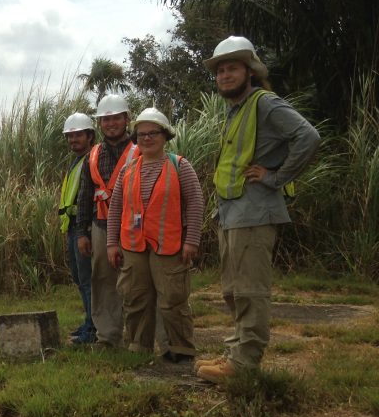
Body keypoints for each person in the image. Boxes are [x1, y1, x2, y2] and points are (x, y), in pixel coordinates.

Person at [196, 36, 321, 384]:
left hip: (255, 213)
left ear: (249, 71)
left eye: (232, 68)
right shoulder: (235, 111)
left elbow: (308, 137)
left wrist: (276, 177)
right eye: (220, 70)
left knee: (251, 291)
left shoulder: (264, 103)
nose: (224, 75)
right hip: (233, 214)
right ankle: (235, 353)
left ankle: (245, 366)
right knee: (233, 291)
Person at [106, 108, 204, 364]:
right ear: (136, 138)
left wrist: (191, 241)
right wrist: (111, 244)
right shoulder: (128, 171)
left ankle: (180, 350)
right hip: (133, 245)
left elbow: (195, 203)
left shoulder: (180, 165)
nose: (147, 138)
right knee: (135, 298)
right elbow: (115, 208)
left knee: (173, 300)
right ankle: (139, 347)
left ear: (165, 136)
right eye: (141, 134)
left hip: (169, 246)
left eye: (153, 133)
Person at [76, 94, 138, 348]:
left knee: (137, 281)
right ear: (100, 123)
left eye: (116, 118)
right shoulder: (93, 155)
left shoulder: (139, 149)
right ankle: (108, 337)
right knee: (102, 280)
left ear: (126, 119)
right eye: (106, 119)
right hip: (101, 225)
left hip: (134, 226)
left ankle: (138, 337)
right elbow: (84, 195)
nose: (111, 124)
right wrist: (82, 232)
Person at [59, 111, 97, 344]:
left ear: (90, 136)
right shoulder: (77, 161)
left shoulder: (92, 159)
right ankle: (89, 322)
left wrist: (84, 231)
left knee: (88, 279)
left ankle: (93, 328)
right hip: (73, 226)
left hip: (85, 227)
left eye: (78, 135)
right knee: (79, 277)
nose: (73, 140)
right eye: (70, 136)